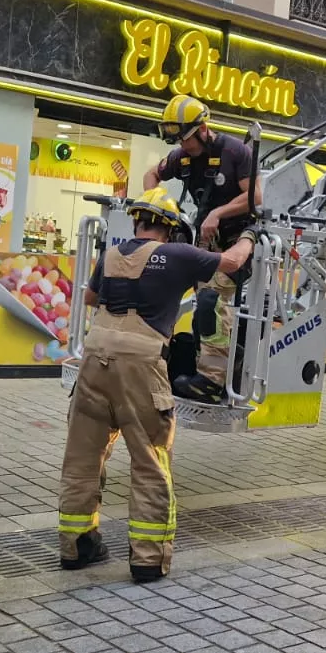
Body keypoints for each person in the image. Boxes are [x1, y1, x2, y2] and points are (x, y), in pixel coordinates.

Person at [57, 187, 256, 584]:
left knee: (82, 456)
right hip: (141, 364)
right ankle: (147, 559)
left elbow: (92, 296)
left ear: (137, 221)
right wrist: (251, 235)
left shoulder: (112, 254)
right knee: (149, 460)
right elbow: (233, 263)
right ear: (171, 228)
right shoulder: (179, 255)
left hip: (94, 359)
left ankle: (76, 546)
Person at [142, 95, 259, 403]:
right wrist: (155, 201)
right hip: (206, 240)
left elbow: (255, 197)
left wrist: (218, 214)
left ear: (203, 128)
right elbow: (151, 174)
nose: (184, 147)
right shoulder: (181, 156)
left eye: (187, 139)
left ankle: (212, 381)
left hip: (240, 239)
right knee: (200, 309)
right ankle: (194, 367)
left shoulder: (236, 152)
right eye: (179, 141)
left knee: (210, 301)